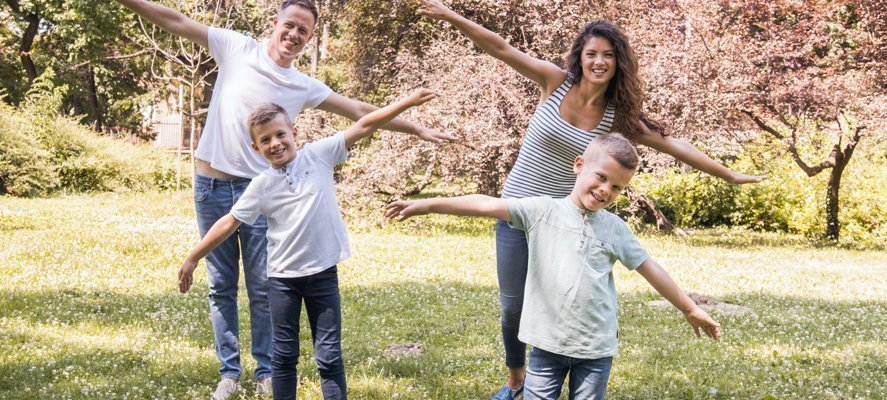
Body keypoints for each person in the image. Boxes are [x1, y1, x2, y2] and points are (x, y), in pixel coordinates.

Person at [416, 1, 759, 397]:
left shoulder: (619, 118)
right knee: (512, 306)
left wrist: (728, 174)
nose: (599, 61)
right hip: (516, 209)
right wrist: (451, 15)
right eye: (591, 53)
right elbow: (500, 47)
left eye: (608, 55)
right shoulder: (554, 81)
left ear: (618, 63)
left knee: (561, 300)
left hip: (561, 223)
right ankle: (516, 378)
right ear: (580, 56)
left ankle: (560, 364)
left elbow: (674, 145)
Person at [112, 0, 452, 398]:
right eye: (289, 26)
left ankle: (267, 371)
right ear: (275, 24)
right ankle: (229, 373)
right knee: (221, 285)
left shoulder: (303, 86)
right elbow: (175, 19)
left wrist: (418, 130)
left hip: (261, 191)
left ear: (308, 39)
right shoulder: (236, 47)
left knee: (263, 286)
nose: (293, 35)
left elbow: (361, 112)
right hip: (211, 186)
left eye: (303, 32)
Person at [385, 134, 721, 399]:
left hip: (595, 349)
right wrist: (427, 204)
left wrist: (689, 308)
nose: (606, 190)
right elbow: (486, 205)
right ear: (579, 165)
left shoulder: (614, 228)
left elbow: (650, 268)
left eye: (617, 187)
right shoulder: (541, 211)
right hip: (547, 344)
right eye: (601, 177)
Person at [178, 88, 440, 399]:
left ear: (294, 133)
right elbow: (229, 221)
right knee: (284, 357)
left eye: (280, 134)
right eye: (265, 140)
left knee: (329, 356)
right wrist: (193, 257)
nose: (275, 143)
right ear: (256, 148)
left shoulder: (320, 154)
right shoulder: (262, 186)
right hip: (282, 282)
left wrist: (407, 101)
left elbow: (366, 124)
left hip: (322, 276)